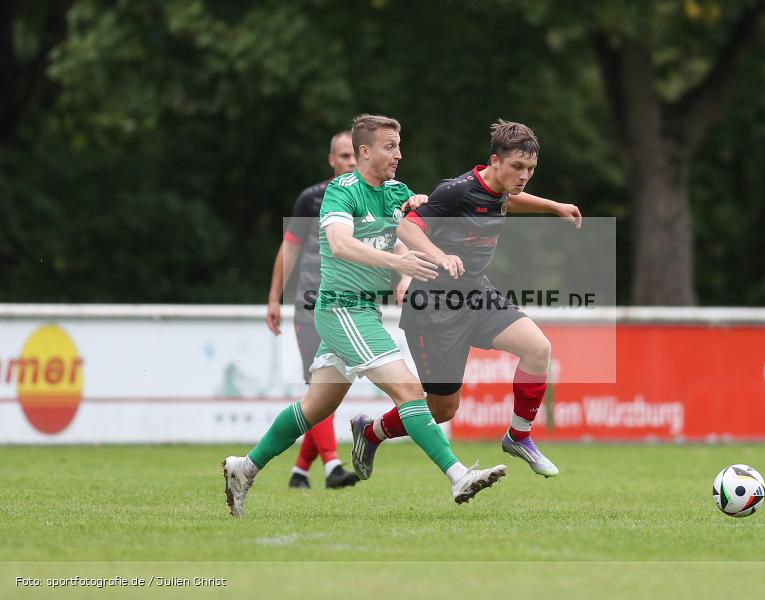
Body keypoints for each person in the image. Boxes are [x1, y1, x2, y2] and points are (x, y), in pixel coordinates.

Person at [223, 114, 506, 517]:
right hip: (341, 308)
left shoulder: (397, 193)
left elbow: (411, 239)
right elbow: (339, 245)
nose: (398, 154)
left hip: (363, 310)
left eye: (399, 145)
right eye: (390, 146)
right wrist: (399, 263)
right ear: (364, 152)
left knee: (315, 407)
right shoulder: (343, 191)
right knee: (409, 390)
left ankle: (244, 468)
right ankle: (458, 475)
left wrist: (414, 255)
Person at [350, 120, 581, 480]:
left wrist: (554, 207)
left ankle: (519, 436)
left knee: (538, 349)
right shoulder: (455, 192)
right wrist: (438, 256)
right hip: (435, 308)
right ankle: (370, 431)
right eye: (517, 167)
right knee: (442, 411)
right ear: (494, 161)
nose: (523, 176)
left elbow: (509, 199)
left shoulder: (501, 186)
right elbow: (407, 227)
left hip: (476, 293)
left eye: (531, 169)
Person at [265, 131, 359, 490]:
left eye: (355, 156)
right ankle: (333, 465)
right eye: (344, 156)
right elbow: (289, 250)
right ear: (331, 160)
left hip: (351, 308)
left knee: (327, 392)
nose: (350, 162)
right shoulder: (312, 199)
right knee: (319, 384)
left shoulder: (372, 197)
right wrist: (274, 297)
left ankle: (300, 470)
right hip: (311, 305)